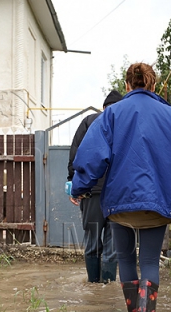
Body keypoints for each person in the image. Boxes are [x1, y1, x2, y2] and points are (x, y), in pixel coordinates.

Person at [71, 62, 171, 312]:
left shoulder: (110, 115)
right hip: (158, 203)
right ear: (154, 85)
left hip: (119, 204)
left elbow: (91, 157)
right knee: (149, 261)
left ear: (127, 85)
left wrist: (79, 187)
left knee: (125, 259)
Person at [67, 90, 123, 283]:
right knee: (112, 245)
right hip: (117, 196)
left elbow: (76, 155)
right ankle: (107, 288)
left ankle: (93, 285)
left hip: (92, 194)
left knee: (92, 242)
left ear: (104, 107)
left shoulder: (89, 121)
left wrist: (74, 185)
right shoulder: (125, 124)